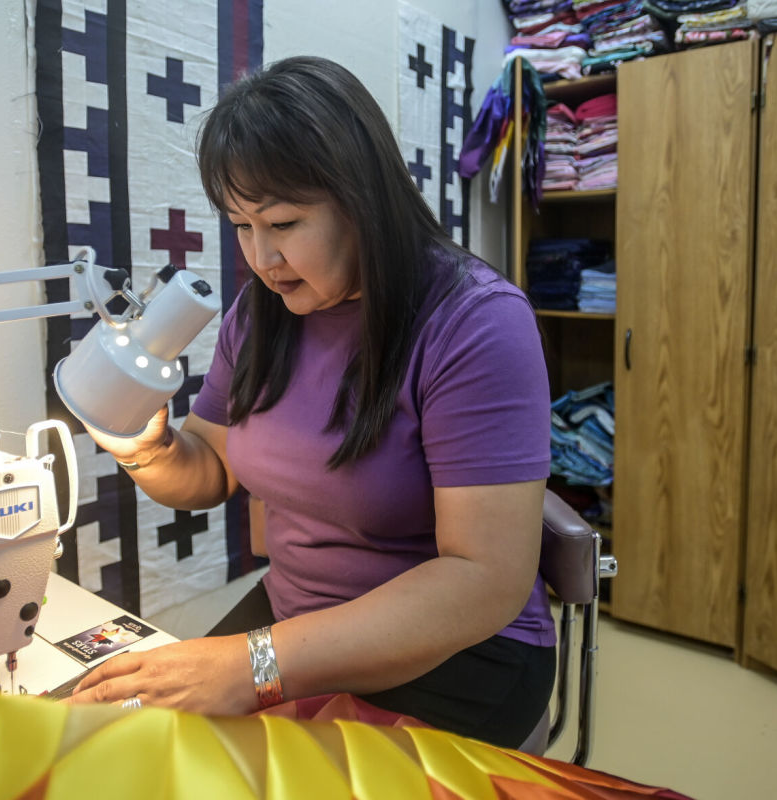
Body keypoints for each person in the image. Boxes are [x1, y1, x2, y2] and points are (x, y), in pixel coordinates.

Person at [64, 55, 554, 749]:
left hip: (456, 652)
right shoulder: (259, 314)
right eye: (241, 226)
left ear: (363, 199)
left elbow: (484, 580)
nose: (261, 259)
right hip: (296, 622)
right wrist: (147, 447)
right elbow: (209, 470)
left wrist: (257, 664)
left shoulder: (474, 323)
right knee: (125, 752)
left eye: (284, 223)